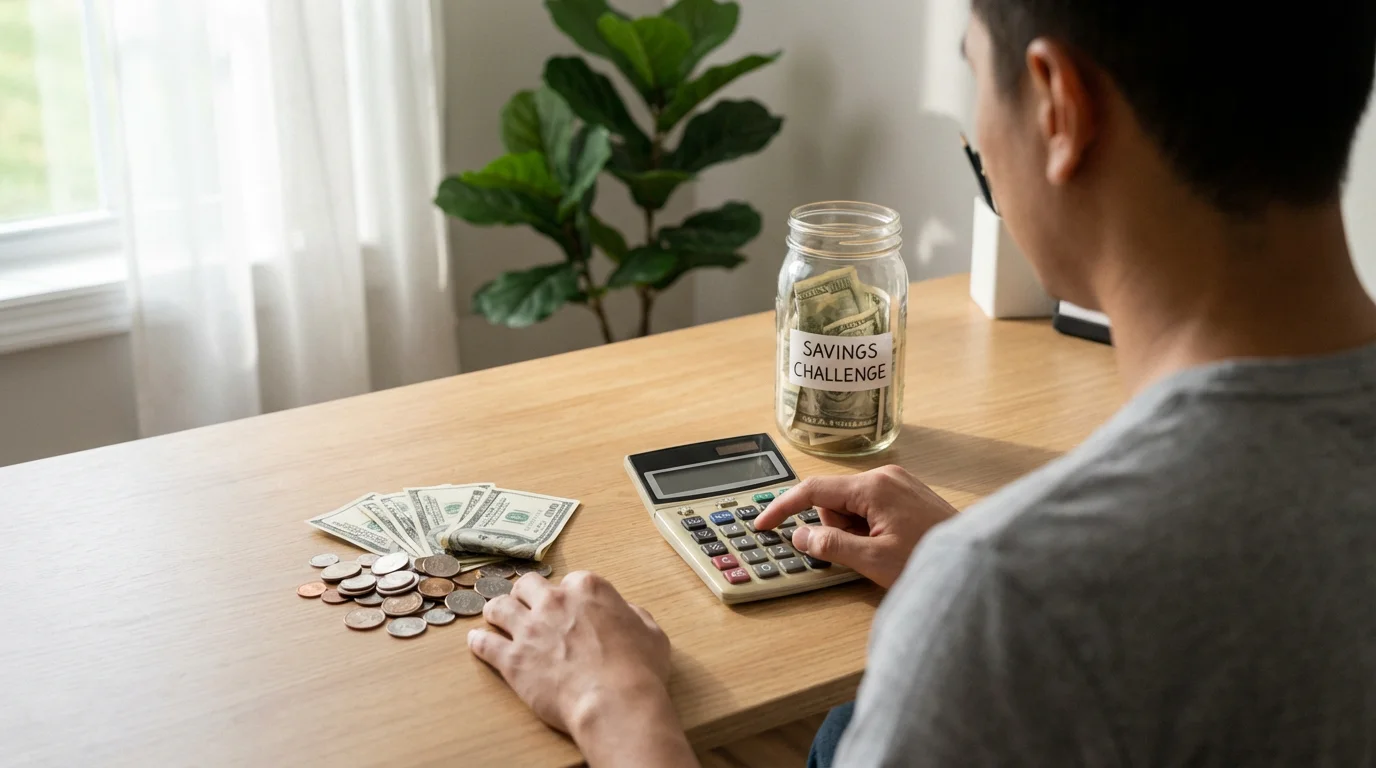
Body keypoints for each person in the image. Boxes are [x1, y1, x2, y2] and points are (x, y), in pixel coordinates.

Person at [465, 0, 1376, 764]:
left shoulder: (1005, 599)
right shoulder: (1009, 587)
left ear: (1060, 107)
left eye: (976, 74)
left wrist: (617, 708)